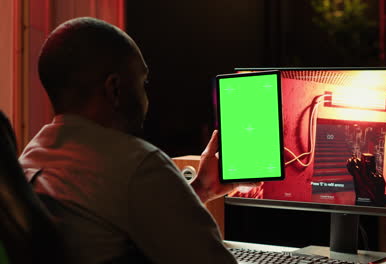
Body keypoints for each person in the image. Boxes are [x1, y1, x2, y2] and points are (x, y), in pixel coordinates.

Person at [19, 17, 254, 264]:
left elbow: (117, 220)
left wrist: (201, 188)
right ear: (115, 89)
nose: (146, 98)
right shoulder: (138, 165)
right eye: (142, 82)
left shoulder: (32, 156)